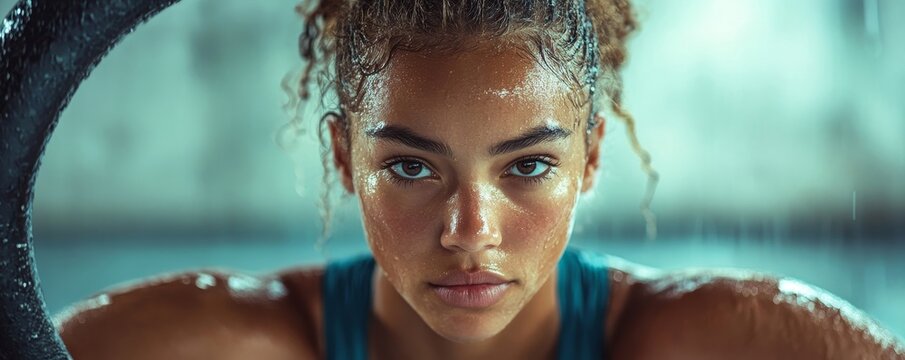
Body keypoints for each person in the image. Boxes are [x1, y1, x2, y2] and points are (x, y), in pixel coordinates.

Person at [56, 1, 903, 359]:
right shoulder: (225, 344)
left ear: (591, 159)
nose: (470, 230)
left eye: (528, 166)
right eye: (411, 167)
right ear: (345, 159)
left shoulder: (714, 340)